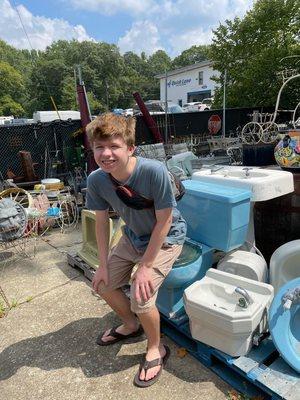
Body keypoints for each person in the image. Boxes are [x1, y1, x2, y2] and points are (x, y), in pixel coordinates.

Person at [85, 113, 186, 387]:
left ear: (130, 148)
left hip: (166, 237)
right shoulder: (96, 180)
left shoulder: (154, 171)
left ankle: (156, 347)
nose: (106, 154)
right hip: (132, 237)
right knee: (103, 284)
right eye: (99, 147)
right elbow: (102, 221)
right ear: (92, 149)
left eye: (114, 146)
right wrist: (103, 264)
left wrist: (145, 267)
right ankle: (131, 325)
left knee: (141, 296)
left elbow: (165, 220)